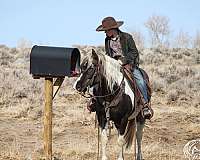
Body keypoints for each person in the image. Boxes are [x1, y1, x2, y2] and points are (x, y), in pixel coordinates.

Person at [95, 16, 153, 119]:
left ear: (113, 29)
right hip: (114, 66)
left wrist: (124, 60)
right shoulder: (107, 40)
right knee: (99, 77)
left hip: (128, 64)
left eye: (106, 30)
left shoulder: (127, 37)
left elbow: (134, 52)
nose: (105, 33)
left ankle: (145, 104)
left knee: (139, 80)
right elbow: (109, 54)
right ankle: (97, 102)